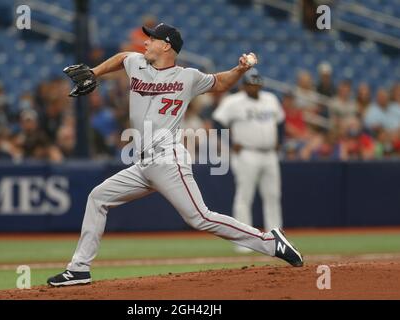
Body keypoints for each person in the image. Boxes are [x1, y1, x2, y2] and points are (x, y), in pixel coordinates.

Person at [47, 23, 303, 287]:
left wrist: (240, 69)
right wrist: (95, 72)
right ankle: (79, 269)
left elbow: (221, 82)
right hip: (143, 163)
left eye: (151, 39)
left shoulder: (187, 77)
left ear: (166, 45)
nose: (145, 42)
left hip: (168, 159)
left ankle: (270, 242)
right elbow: (122, 58)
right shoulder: (137, 63)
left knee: (200, 217)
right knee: (98, 197)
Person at [213, 69, 285, 253]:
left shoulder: (270, 99)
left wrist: (280, 141)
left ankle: (277, 239)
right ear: (243, 85)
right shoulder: (234, 102)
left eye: (257, 83)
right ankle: (244, 242)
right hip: (247, 153)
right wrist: (230, 142)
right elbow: (217, 122)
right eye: (251, 83)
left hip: (269, 154)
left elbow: (281, 121)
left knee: (273, 196)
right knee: (245, 196)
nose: (255, 86)